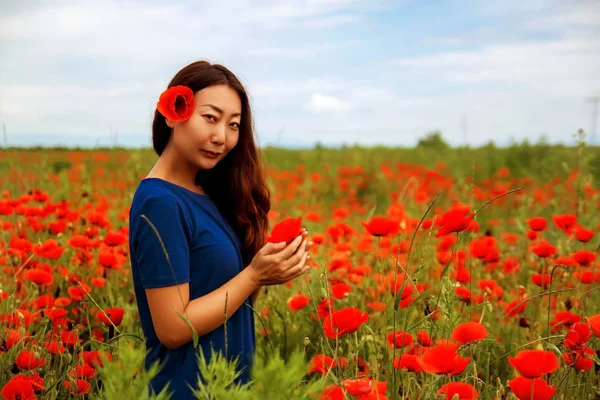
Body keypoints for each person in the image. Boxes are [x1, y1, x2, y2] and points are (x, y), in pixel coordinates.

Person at [128, 60, 311, 399]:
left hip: (227, 386)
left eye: (234, 125)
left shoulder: (207, 196)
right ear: (173, 113)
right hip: (186, 388)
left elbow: (232, 301)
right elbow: (171, 328)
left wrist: (271, 268)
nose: (221, 137)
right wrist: (254, 275)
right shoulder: (161, 202)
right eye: (210, 118)